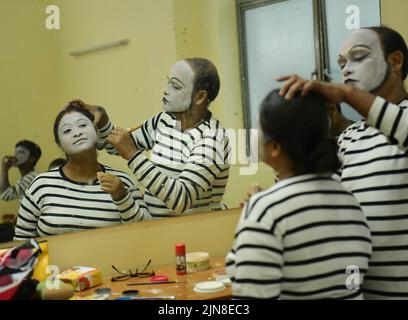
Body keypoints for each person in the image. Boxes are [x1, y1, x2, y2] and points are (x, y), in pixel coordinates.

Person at [278, 26, 408, 300]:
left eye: (358, 57)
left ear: (395, 62)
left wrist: (346, 94)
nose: (346, 70)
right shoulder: (349, 137)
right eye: (341, 64)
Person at [226, 89, 371, 300]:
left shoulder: (266, 209)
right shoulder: (349, 202)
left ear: (274, 147)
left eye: (258, 127)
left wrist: (261, 209)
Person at [71, 58, 230, 218]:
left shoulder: (212, 138)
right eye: (168, 82)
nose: (165, 90)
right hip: (157, 230)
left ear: (200, 97)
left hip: (196, 234)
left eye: (175, 86)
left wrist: (133, 155)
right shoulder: (164, 120)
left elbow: (180, 199)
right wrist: (104, 120)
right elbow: (119, 146)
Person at [14, 105, 150, 240]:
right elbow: (21, 243)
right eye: (67, 130)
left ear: (97, 132)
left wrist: (122, 197)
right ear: (59, 144)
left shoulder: (122, 181)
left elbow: (146, 233)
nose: (77, 133)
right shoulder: (41, 185)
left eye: (83, 125)